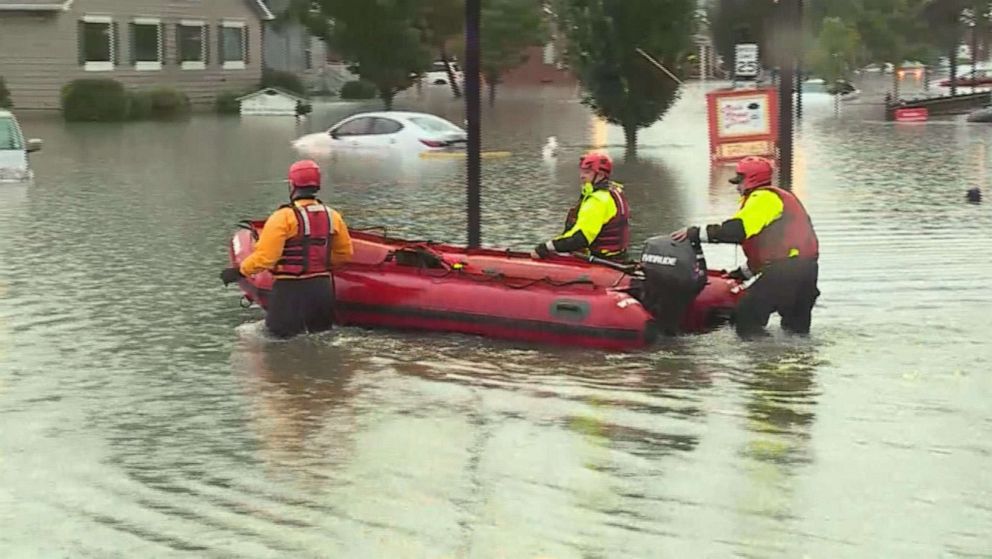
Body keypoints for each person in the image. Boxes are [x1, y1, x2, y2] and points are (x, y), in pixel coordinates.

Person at [671, 156, 819, 337]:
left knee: (745, 318)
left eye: (739, 182)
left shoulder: (763, 199)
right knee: (796, 333)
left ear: (750, 180)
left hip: (786, 273)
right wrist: (740, 274)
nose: (737, 187)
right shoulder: (780, 199)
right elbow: (771, 252)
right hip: (806, 272)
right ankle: (793, 361)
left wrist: (695, 233)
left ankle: (760, 360)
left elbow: (736, 231)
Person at [220, 160, 353, 339]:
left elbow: (267, 257)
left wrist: (239, 271)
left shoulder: (282, 218)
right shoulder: (333, 216)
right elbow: (344, 254)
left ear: (292, 185)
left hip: (290, 291)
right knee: (321, 338)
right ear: (317, 185)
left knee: (276, 341)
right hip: (322, 290)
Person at [532, 151, 630, 262]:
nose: (582, 176)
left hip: (601, 261)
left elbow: (581, 238)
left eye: (587, 172)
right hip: (618, 258)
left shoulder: (597, 200)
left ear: (601, 175)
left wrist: (546, 247)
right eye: (582, 171)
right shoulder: (614, 192)